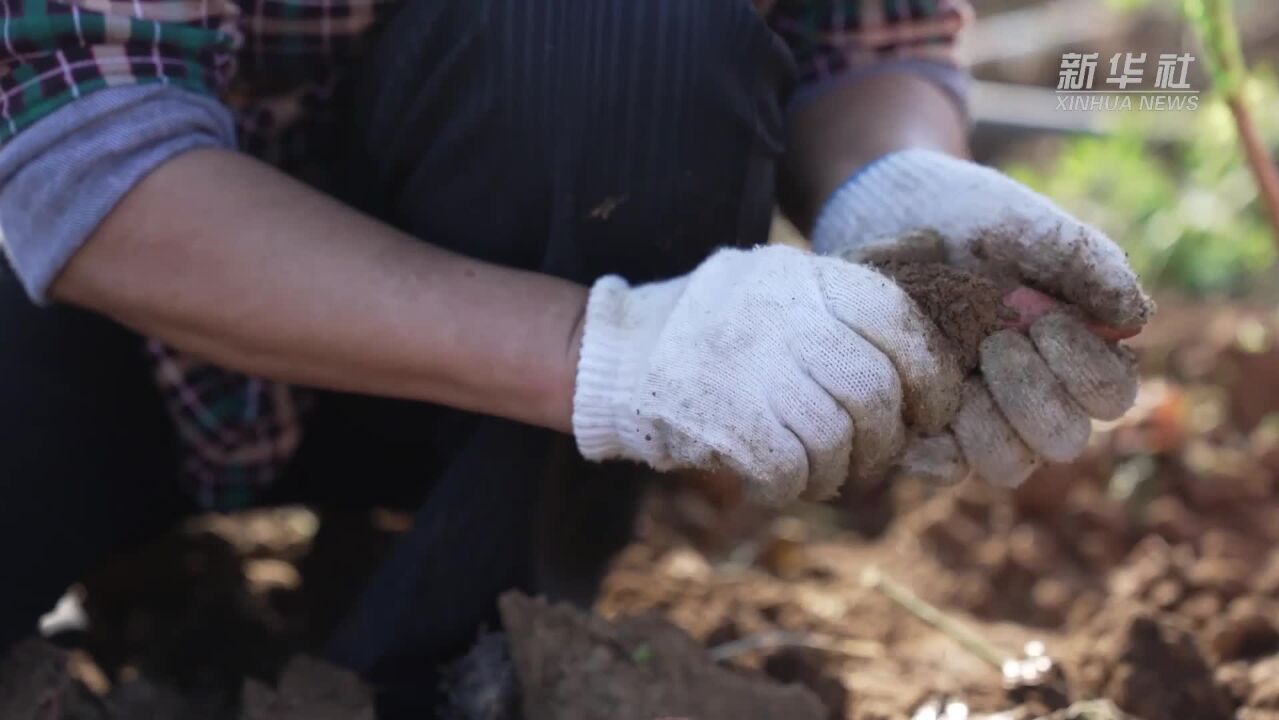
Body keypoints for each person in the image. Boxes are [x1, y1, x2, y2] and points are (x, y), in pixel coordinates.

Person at [0, 0, 1151, 715]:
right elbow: (87, 152)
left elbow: (858, 31)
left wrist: (884, 186)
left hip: (487, 386)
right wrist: (609, 348)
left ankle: (466, 658)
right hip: (81, 321)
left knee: (628, 30)